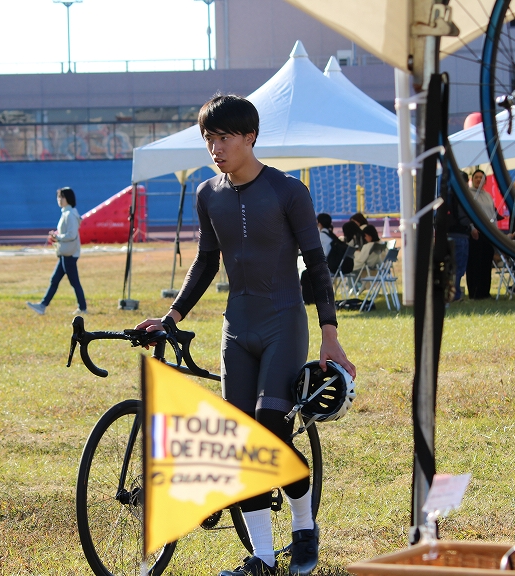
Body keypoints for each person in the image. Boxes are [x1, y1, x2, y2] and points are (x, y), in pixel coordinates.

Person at [134, 94, 355, 576]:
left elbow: (316, 265)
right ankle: (262, 558)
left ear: (250, 137)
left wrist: (330, 333)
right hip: (237, 327)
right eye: (208, 139)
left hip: (283, 323)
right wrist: (171, 317)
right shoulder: (207, 194)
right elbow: (205, 262)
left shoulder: (288, 191)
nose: (215, 148)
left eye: (224, 138)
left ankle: (303, 526)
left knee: (270, 434)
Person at [26, 187, 87, 315]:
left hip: (69, 253)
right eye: (58, 197)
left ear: (68, 198)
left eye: (62, 197)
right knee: (55, 280)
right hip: (65, 252)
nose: (59, 199)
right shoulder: (67, 213)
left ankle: (82, 308)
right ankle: (42, 305)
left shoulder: (70, 214)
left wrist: (57, 237)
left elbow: (71, 235)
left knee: (74, 282)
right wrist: (57, 236)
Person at [466, 169, 496, 299]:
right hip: (476, 232)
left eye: (481, 177)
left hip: (489, 232)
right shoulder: (469, 194)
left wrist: (496, 233)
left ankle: (485, 291)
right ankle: (474, 292)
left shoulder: (488, 196)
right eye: (476, 177)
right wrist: (472, 228)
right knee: (475, 263)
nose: (479, 179)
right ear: (472, 180)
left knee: (486, 262)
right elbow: (468, 213)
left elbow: (492, 214)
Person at [446, 174, 472, 302]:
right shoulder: (462, 197)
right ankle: (455, 295)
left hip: (448, 235)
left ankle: (450, 293)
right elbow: (464, 218)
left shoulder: (447, 194)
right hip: (461, 235)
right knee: (459, 267)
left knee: (451, 267)